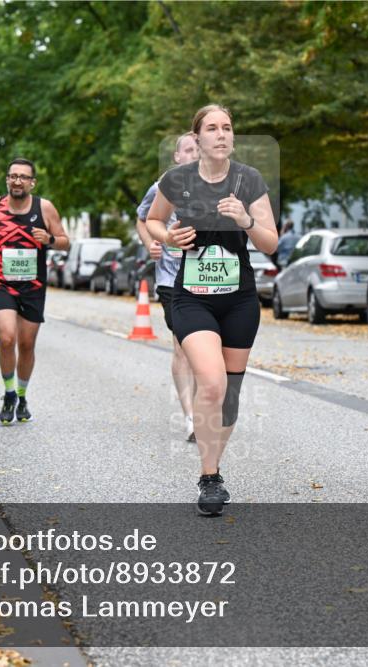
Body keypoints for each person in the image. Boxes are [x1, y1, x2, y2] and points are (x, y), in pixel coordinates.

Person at [145, 105, 278, 516]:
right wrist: (168, 236)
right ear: (197, 138)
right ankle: (209, 478)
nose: (221, 134)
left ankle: (214, 468)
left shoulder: (248, 180)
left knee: (230, 397)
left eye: (227, 128)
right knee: (213, 383)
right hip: (193, 297)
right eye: (212, 128)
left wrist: (245, 221)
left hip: (239, 298)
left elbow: (271, 243)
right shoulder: (177, 180)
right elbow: (153, 221)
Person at [0, 158, 69, 425]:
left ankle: (23, 395)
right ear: (7, 180)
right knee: (6, 339)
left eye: (23, 177)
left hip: (33, 286)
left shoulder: (45, 208)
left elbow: (65, 242)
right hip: (0, 282)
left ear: (32, 182)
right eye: (13, 176)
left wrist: (49, 239)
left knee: (27, 344)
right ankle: (8, 394)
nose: (17, 181)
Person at [136, 132, 200, 442]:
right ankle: (191, 418)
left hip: (207, 278)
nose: (195, 154)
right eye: (189, 149)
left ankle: (201, 410)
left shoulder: (221, 183)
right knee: (183, 346)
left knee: (205, 350)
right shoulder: (163, 185)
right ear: (177, 157)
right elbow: (142, 218)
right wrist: (151, 242)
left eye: (198, 148)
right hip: (172, 279)